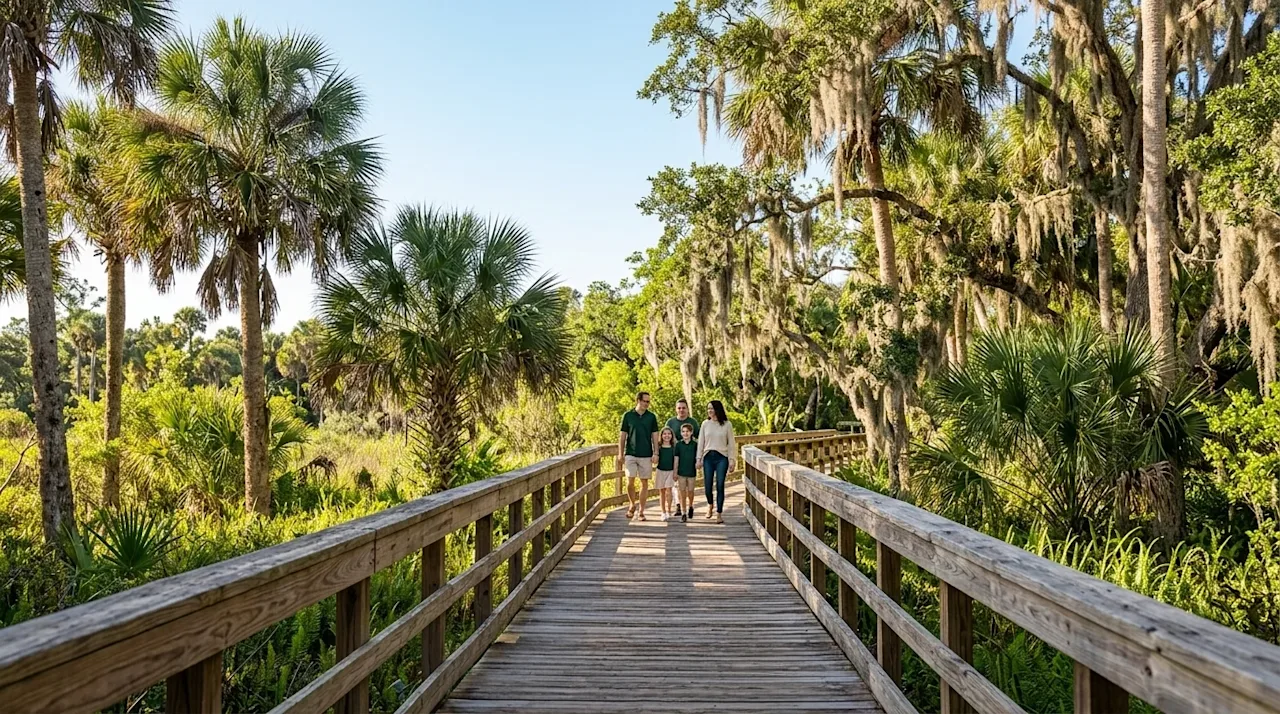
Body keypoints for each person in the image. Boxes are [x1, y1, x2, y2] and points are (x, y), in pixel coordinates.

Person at [618, 391, 659, 521]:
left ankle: (641, 511)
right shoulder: (628, 416)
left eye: (648, 401)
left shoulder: (651, 417)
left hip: (646, 454)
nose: (647, 404)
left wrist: (656, 452)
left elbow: (655, 436)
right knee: (629, 480)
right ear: (638, 400)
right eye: (645, 401)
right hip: (631, 453)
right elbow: (623, 436)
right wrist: (620, 452)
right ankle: (632, 504)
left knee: (644, 482)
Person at [696, 399, 736, 523]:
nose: (710, 411)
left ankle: (719, 512)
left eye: (712, 408)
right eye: (708, 409)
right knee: (707, 485)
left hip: (721, 457)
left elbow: (731, 444)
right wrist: (698, 459)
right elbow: (701, 442)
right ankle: (710, 505)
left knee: (720, 484)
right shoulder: (705, 424)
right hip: (708, 456)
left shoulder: (727, 424)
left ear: (717, 409)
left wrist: (732, 460)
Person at [666, 398, 699, 517]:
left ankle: (686, 506)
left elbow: (700, 439)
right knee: (675, 483)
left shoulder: (693, 422)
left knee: (688, 487)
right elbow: (665, 435)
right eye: (679, 408)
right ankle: (678, 505)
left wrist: (698, 458)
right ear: (676, 409)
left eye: (683, 408)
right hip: (673, 455)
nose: (681, 410)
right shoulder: (671, 422)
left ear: (687, 409)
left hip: (687, 456)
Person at [673, 422, 698, 523]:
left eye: (687, 431)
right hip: (681, 472)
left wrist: (698, 463)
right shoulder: (679, 445)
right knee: (682, 492)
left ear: (691, 432)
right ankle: (683, 512)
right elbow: (676, 459)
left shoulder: (695, 445)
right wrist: (675, 472)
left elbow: (698, 457)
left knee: (690, 491)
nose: (685, 433)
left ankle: (691, 506)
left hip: (691, 471)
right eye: (683, 432)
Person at [654, 427, 677, 520]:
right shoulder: (658, 447)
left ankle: (669, 510)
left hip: (670, 471)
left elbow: (676, 460)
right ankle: (663, 512)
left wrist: (676, 471)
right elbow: (655, 459)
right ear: (661, 435)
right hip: (660, 470)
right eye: (664, 434)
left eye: (669, 434)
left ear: (672, 435)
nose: (667, 436)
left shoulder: (674, 447)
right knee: (662, 491)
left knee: (669, 490)